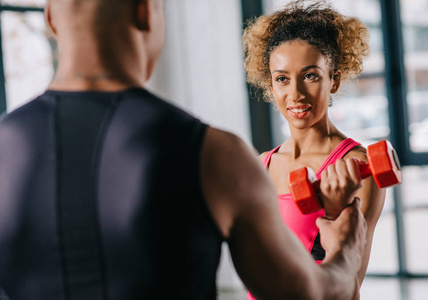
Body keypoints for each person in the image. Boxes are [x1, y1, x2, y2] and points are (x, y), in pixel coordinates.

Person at [0, 0, 367, 299]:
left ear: (51, 19)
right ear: (146, 12)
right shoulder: (216, 155)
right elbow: (307, 295)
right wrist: (346, 247)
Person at [242, 1, 386, 299]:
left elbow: (349, 289)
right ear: (271, 85)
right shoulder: (260, 166)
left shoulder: (356, 169)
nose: (295, 94)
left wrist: (335, 212)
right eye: (282, 78)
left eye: (310, 75)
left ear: (333, 79)